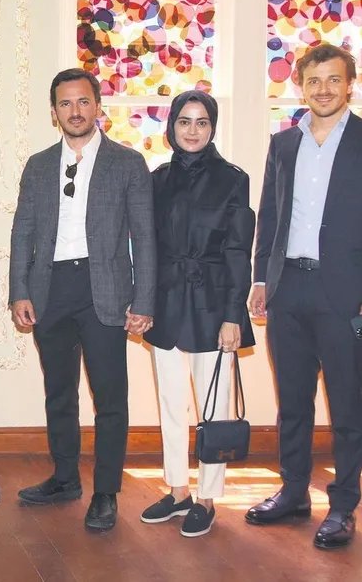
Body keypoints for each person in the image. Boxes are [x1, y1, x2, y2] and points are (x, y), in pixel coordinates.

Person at [247, 43, 362, 550]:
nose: (323, 89)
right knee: (292, 402)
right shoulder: (283, 145)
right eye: (314, 81)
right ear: (300, 86)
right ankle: (294, 491)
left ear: (350, 84)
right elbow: (270, 216)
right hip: (287, 290)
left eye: (334, 80)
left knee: (346, 405)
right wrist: (260, 279)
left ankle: (343, 506)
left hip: (348, 296)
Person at [8, 68, 157, 531]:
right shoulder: (38, 165)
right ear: (54, 112)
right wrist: (19, 291)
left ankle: (106, 492)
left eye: (83, 101)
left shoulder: (127, 163)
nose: (75, 111)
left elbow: (145, 237)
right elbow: (22, 232)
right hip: (50, 289)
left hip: (105, 290)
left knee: (109, 396)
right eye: (65, 103)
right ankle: (65, 478)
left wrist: (145, 300)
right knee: (59, 392)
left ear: (98, 107)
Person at [138, 90, 255, 538]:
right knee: (171, 402)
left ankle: (207, 497)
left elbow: (238, 251)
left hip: (214, 304)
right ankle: (178, 490)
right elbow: (146, 247)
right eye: (184, 121)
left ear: (213, 127)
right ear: (171, 126)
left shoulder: (233, 179)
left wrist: (233, 315)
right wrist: (142, 302)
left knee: (213, 405)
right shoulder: (157, 179)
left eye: (202, 122)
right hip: (166, 303)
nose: (192, 130)